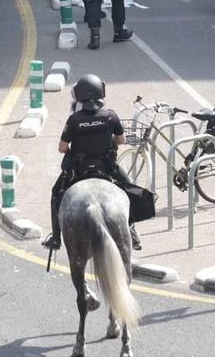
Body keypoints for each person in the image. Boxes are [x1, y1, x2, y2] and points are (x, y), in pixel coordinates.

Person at [41, 74, 140, 252]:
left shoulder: (74, 119)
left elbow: (62, 148)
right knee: (129, 188)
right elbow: (121, 141)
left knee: (56, 193)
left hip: (79, 170)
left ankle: (56, 238)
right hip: (107, 168)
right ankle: (132, 229)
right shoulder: (111, 116)